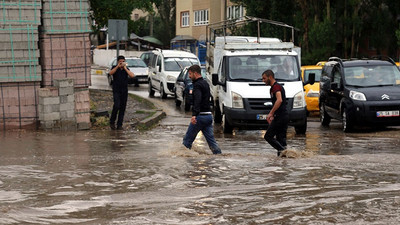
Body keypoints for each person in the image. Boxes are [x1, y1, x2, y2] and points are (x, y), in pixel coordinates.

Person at [183, 65, 222, 154]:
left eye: (190, 74)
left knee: (187, 140)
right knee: (212, 142)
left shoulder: (197, 85)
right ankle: (219, 156)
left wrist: (194, 115)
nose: (189, 76)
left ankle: (183, 158)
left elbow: (197, 100)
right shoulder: (205, 83)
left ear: (195, 73)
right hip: (208, 116)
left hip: (200, 117)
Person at [262, 69, 289, 156]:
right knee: (281, 140)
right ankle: (283, 162)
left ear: (270, 77)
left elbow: (279, 100)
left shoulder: (276, 87)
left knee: (268, 136)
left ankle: (283, 151)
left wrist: (270, 113)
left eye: (264, 78)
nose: (263, 81)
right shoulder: (274, 88)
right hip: (282, 116)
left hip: (281, 117)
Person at [109, 55, 135, 130]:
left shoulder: (126, 69)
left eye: (123, 62)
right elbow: (110, 73)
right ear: (117, 62)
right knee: (116, 105)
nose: (122, 63)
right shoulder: (115, 68)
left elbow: (132, 75)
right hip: (116, 90)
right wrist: (117, 66)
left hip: (124, 90)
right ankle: (112, 121)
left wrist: (125, 68)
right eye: (120, 62)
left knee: (122, 108)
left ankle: (119, 124)